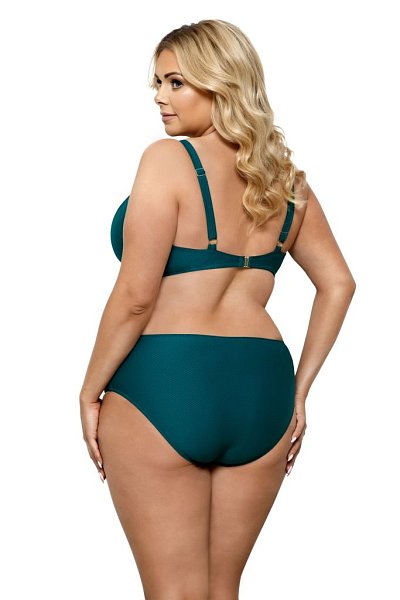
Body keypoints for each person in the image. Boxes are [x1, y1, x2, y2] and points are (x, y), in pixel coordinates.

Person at [79, 18, 356, 600]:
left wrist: (89, 390)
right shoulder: (287, 183)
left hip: (167, 383)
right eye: (157, 83)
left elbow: (136, 296)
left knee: (173, 593)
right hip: (263, 390)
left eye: (176, 82)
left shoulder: (167, 159)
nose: (160, 97)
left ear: (221, 82)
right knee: (222, 589)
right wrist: (300, 390)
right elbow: (338, 283)